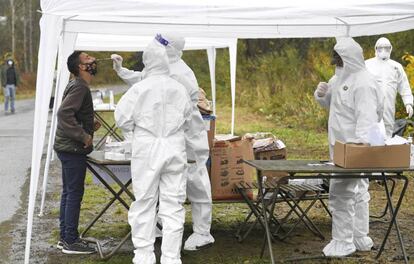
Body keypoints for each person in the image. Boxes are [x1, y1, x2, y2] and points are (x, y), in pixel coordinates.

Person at [111, 34, 214, 251]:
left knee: (195, 182)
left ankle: (202, 232)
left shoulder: (182, 74)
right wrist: (122, 71)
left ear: (171, 48)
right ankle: (160, 227)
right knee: (163, 186)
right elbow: (145, 79)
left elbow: (184, 108)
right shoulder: (164, 65)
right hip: (169, 138)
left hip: (187, 137)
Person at [314, 37, 384, 257]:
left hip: (354, 149)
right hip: (341, 148)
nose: (336, 64)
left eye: (339, 59)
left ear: (349, 58)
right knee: (359, 191)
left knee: (343, 193)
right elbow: (332, 105)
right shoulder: (340, 78)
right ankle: (358, 237)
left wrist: (362, 146)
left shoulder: (363, 82)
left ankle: (343, 241)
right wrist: (321, 94)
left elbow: (368, 117)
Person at [53, 51, 100, 254]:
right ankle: (71, 241)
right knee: (74, 194)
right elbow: (64, 113)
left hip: (67, 148)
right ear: (81, 67)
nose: (93, 60)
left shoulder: (77, 84)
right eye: (88, 58)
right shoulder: (80, 86)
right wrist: (83, 135)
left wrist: (90, 126)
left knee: (68, 192)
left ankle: (65, 237)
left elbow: (73, 113)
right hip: (72, 148)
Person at [365, 37, 413, 137]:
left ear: (390, 48)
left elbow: (404, 86)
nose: (383, 51)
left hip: (388, 106)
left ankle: (386, 151)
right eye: (380, 48)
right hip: (370, 106)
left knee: (387, 131)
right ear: (376, 48)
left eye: (386, 48)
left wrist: (408, 103)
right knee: (370, 132)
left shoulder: (396, 67)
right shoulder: (367, 64)